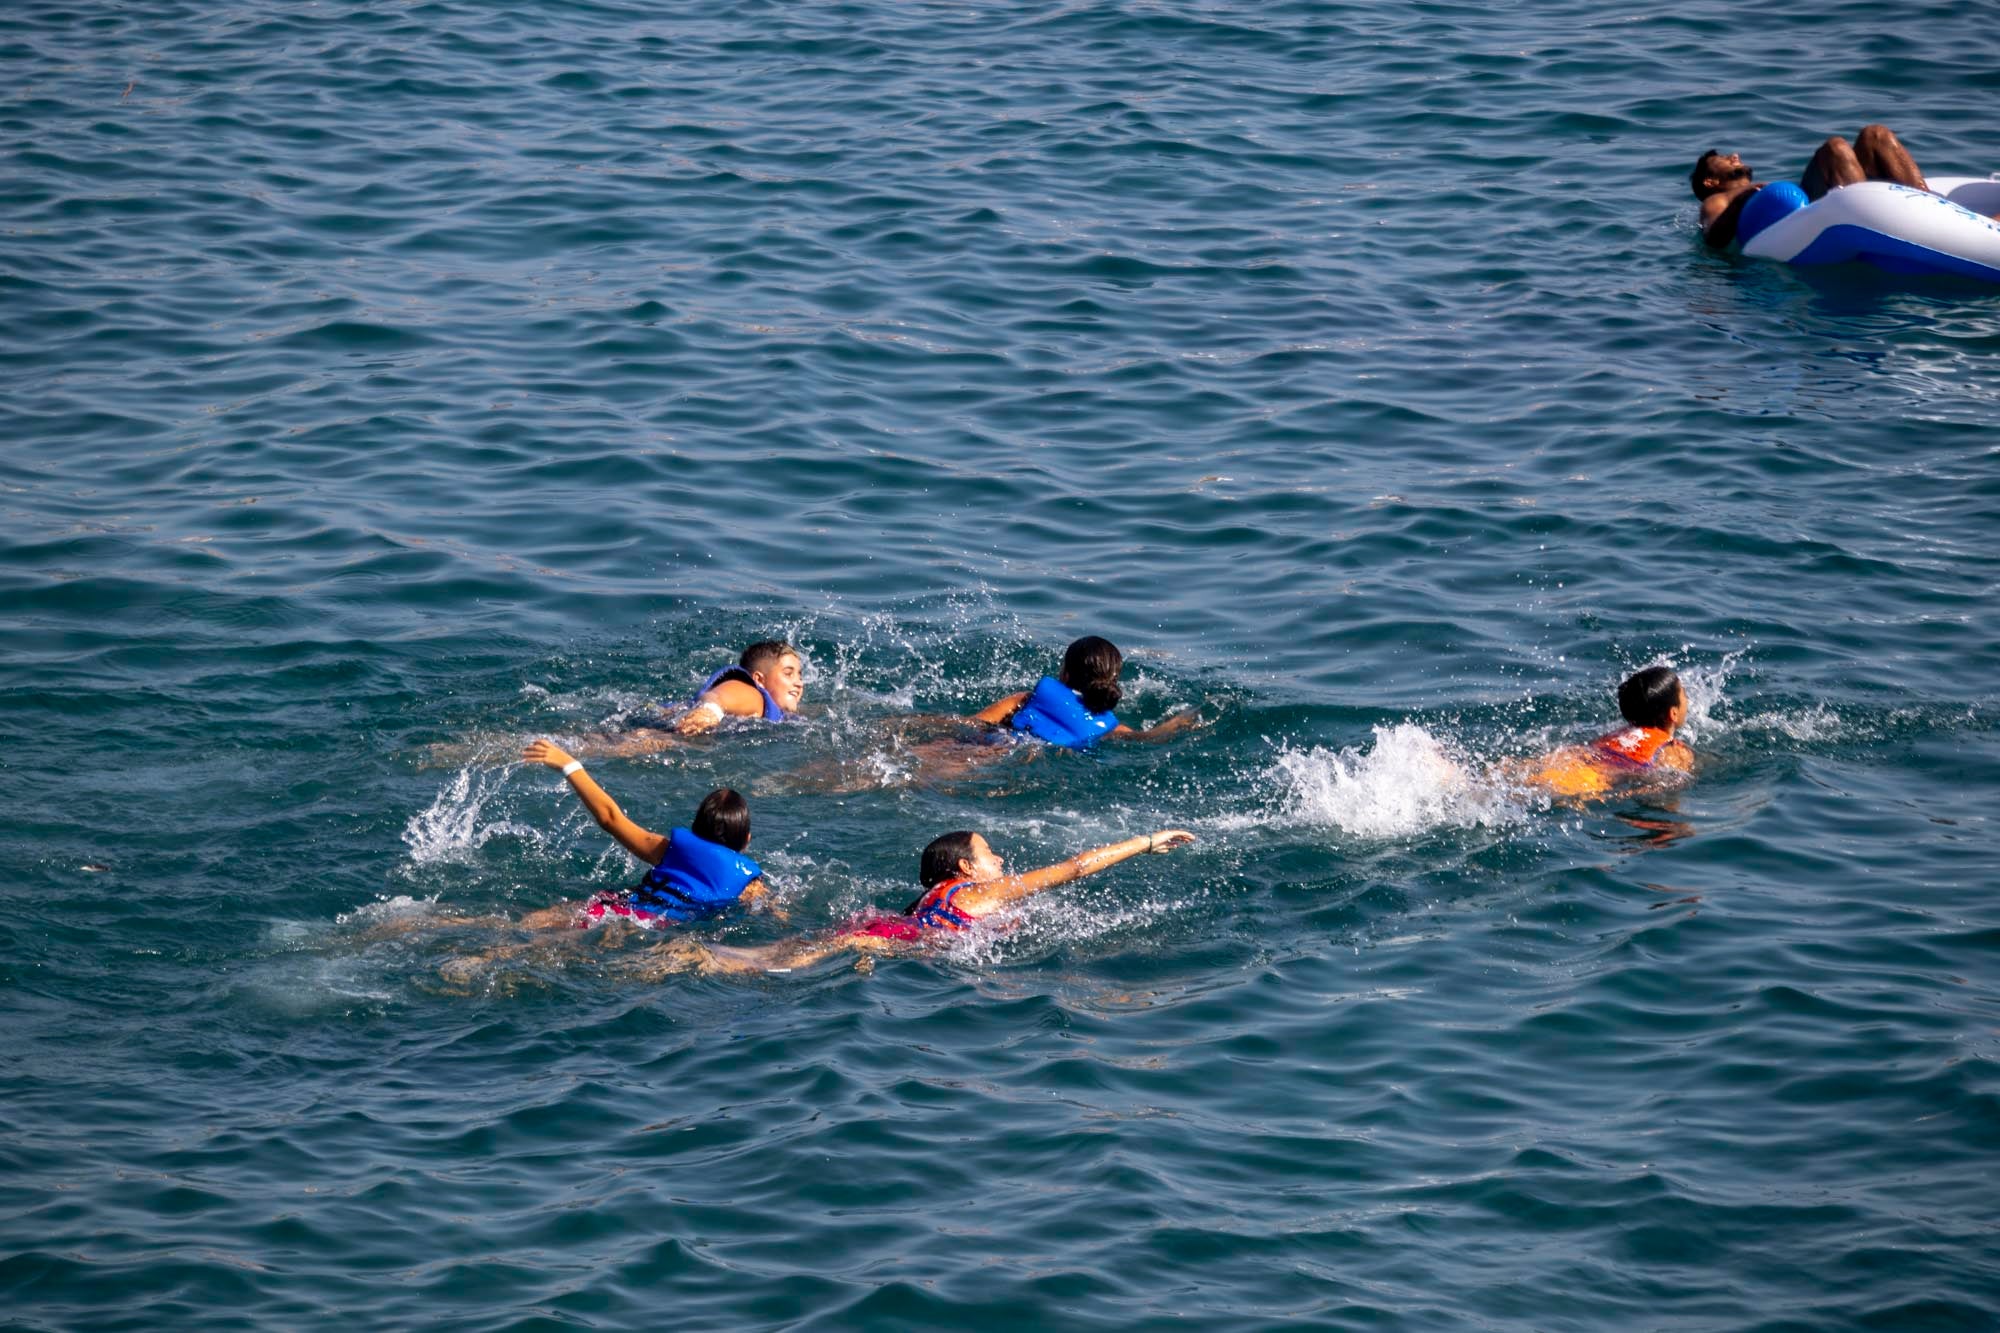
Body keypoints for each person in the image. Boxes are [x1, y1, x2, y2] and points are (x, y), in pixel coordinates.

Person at [636, 826, 1196, 975]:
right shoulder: (978, 892)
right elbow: (1071, 869)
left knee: (790, 949)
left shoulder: (933, 895)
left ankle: (699, 956)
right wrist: (1145, 843)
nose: (1001, 863)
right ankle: (698, 959)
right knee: (779, 960)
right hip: (891, 939)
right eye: (990, 854)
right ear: (965, 869)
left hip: (883, 927)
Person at [514, 739, 774, 927]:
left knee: (529, 926)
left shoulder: (668, 850)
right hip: (649, 925)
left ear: (694, 829)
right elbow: (772, 915)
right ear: (746, 839)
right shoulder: (750, 884)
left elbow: (610, 818)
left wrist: (569, 765)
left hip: (613, 905)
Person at [1690, 125, 1929, 249]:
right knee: (1835, 147)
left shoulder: (1762, 189)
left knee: (1874, 134)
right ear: (1711, 182)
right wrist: (1743, 200)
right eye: (1723, 159)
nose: (1734, 155)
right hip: (1800, 228)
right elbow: (1714, 240)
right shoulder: (1717, 201)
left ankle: (1929, 204)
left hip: (1816, 206)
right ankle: (1868, 218)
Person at [973, 636, 1199, 750]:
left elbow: (972, 724)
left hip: (999, 746)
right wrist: (1176, 723)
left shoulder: (1024, 699)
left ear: (1065, 675)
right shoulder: (1109, 728)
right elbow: (1148, 739)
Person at [1515, 666, 1694, 800]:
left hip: (1569, 761)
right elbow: (1669, 783)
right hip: (1591, 779)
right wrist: (1620, 796)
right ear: (1674, 713)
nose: (1688, 698)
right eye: (1684, 694)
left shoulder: (1618, 734)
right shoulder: (1676, 750)